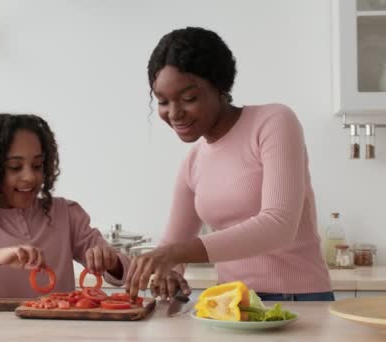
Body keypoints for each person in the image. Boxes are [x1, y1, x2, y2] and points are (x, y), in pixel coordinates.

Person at [125, 27, 332, 302]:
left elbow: (279, 225)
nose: (174, 113)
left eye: (188, 99)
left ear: (220, 86)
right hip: (230, 306)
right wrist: (168, 269)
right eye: (162, 101)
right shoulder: (193, 161)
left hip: (298, 301)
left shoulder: (273, 122)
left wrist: (175, 254)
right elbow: (172, 247)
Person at [0, 113, 127, 298]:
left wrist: (111, 261)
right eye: (15, 167)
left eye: (37, 165)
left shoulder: (66, 214)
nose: (30, 176)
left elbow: (124, 271)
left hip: (61, 334)